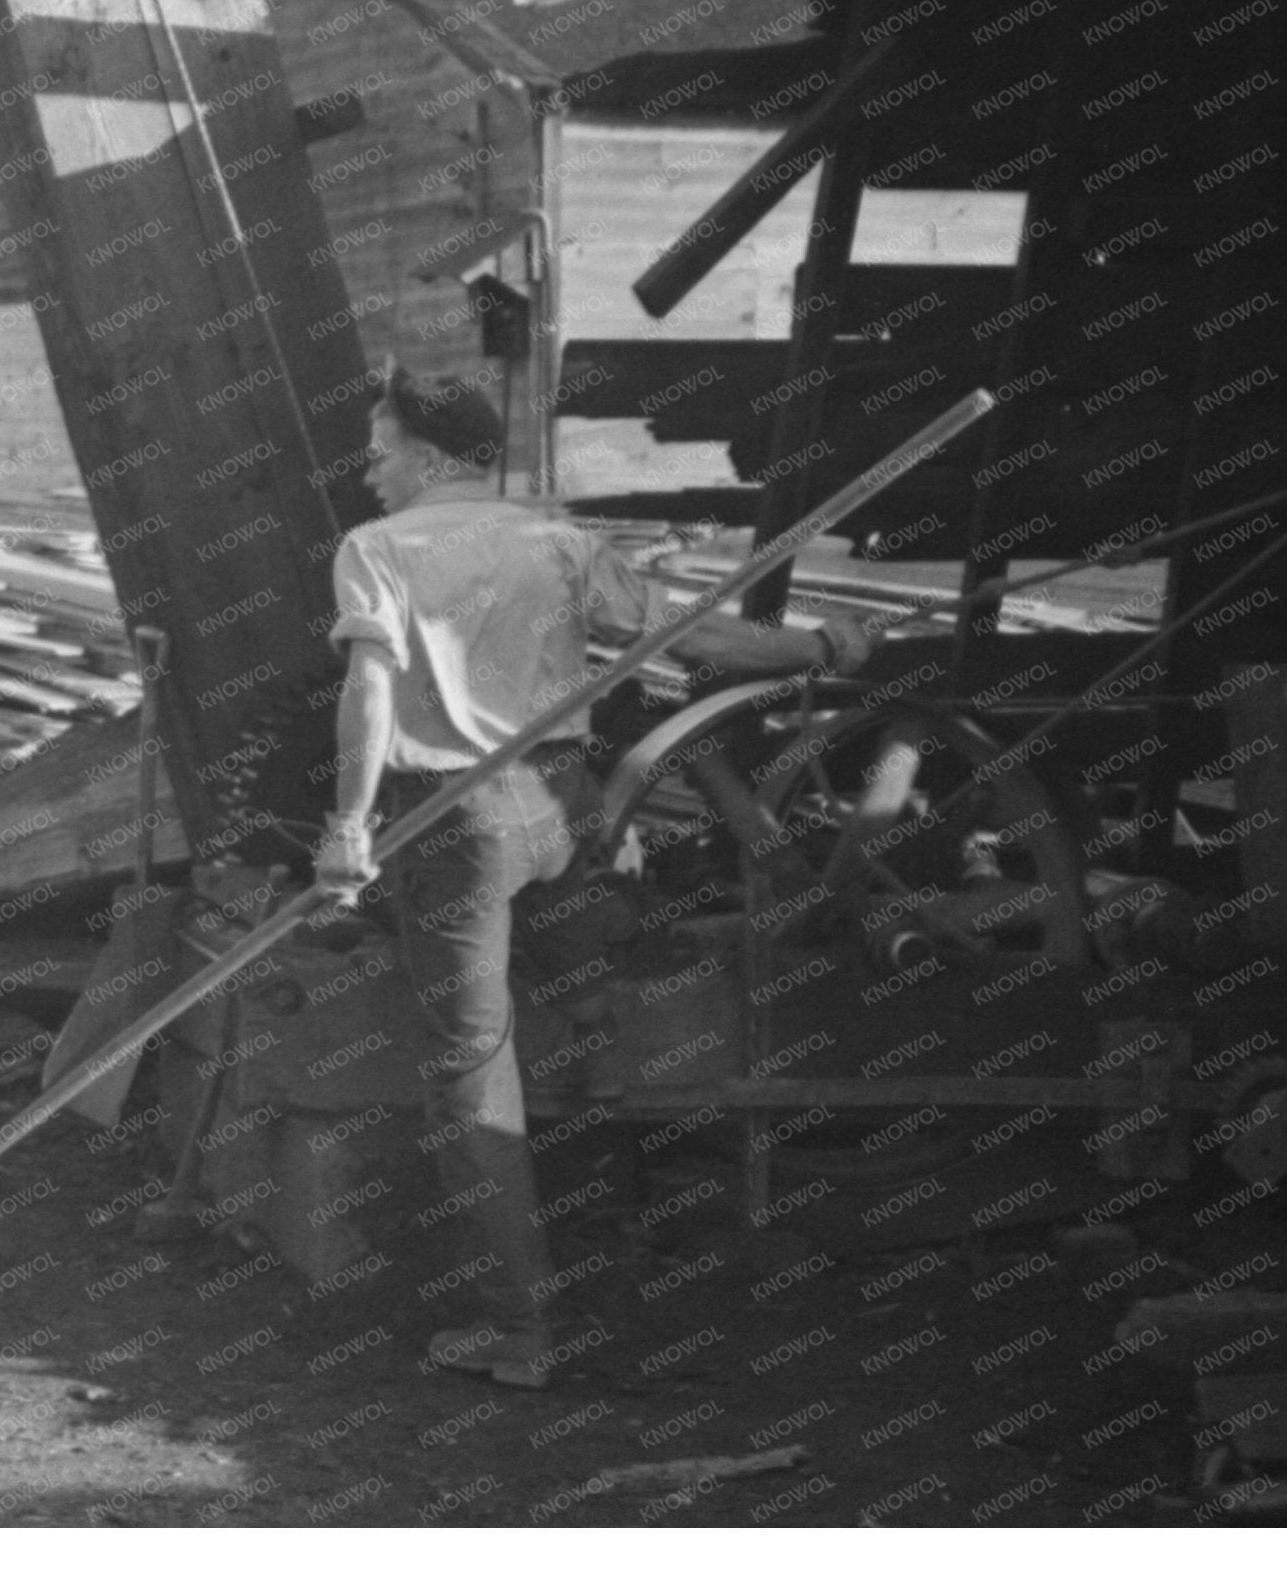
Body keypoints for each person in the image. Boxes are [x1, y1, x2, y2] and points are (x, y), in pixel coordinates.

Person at [312, 365, 874, 1390]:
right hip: (562, 812)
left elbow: (367, 693)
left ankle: (516, 1332)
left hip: (458, 826)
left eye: (379, 449)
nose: (368, 470)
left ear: (430, 458)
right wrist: (816, 646)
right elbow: (693, 631)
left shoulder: (377, 551)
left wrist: (347, 826)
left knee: (468, 1076)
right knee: (592, 982)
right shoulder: (557, 541)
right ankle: (635, 1217)